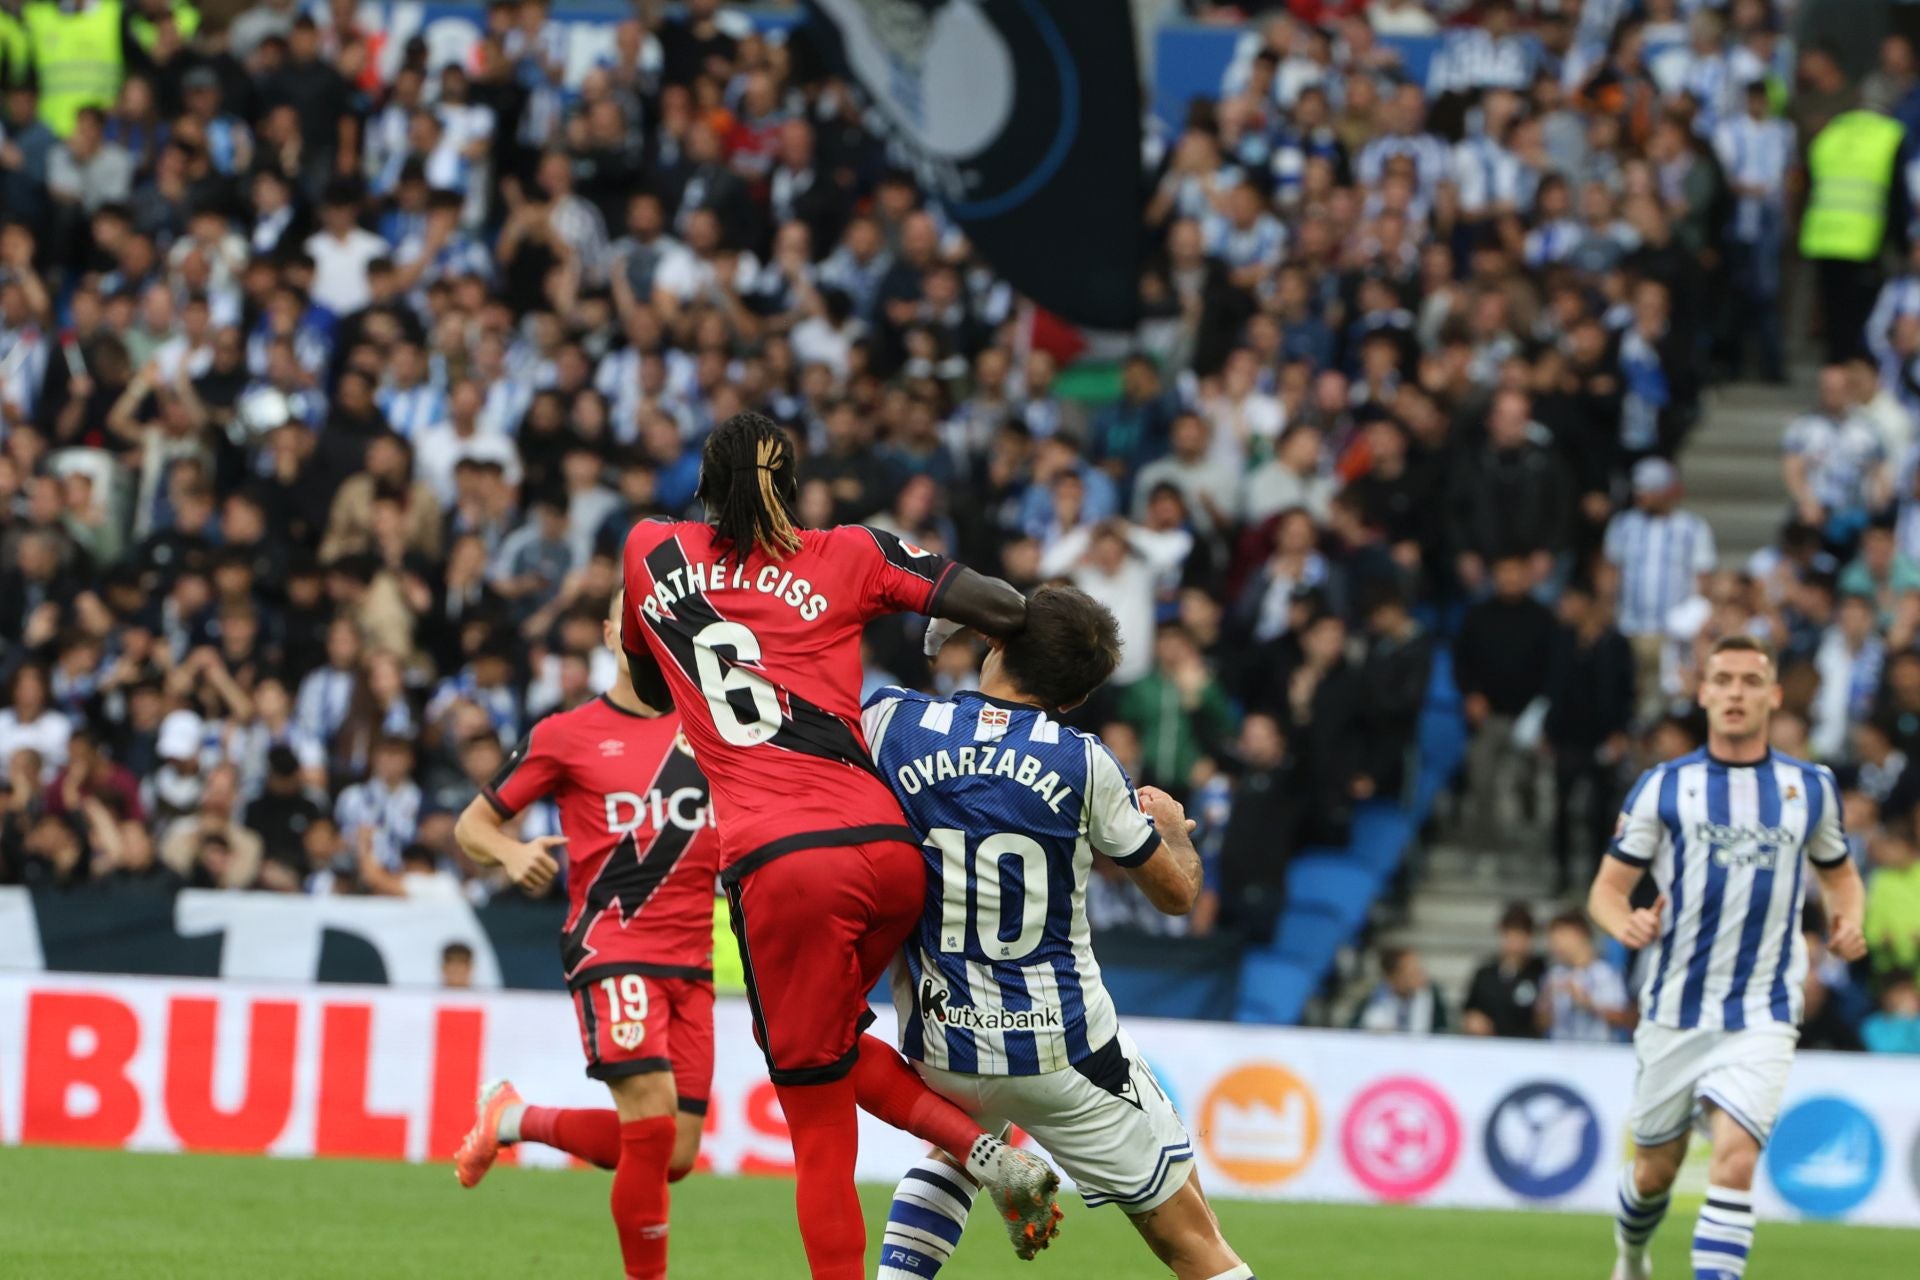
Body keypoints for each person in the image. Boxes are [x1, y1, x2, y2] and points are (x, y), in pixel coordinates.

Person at [617, 411, 1057, 1278]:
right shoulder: (849, 551)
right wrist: (940, 624)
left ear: (705, 488)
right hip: (891, 851)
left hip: (785, 866)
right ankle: (993, 1157)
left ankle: (987, 1159)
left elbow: (642, 680)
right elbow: (1008, 607)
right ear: (795, 487)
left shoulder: (646, 552)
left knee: (816, 1123)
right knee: (831, 1047)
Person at [862, 586, 1253, 1280]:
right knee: (1193, 1237)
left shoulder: (892, 721)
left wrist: (952, 613)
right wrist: (1173, 836)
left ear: (996, 640)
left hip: (940, 1041)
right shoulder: (1083, 760)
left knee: (962, 1142)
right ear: (1072, 699)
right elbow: (1176, 896)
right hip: (1062, 1052)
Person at [450, 590, 720, 1280]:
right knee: (653, 1126)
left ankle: (511, 1119)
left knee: (676, 1153)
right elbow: (472, 826)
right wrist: (511, 855)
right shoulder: (565, 735)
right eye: (633, 619)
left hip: (691, 961)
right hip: (613, 949)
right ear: (609, 633)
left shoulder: (717, 725)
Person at [1591, 634, 1867, 1280]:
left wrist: (1846, 921)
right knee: (1655, 1171)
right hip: (1674, 1009)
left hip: (1763, 1009)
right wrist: (1623, 921)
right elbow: (1606, 890)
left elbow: (1841, 875)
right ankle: (1631, 1256)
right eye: (1724, 680)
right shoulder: (1663, 787)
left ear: (1772, 697)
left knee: (1735, 1160)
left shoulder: (1811, 789)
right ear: (1704, 693)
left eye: (1750, 681)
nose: (1736, 693)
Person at [1536, 910, 1633, 1043]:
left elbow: (1623, 1019)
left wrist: (1587, 1003)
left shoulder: (1606, 973)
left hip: (1600, 1054)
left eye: (1561, 937)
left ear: (1580, 935)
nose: (1555, 945)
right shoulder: (1554, 974)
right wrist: (1546, 999)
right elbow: (1541, 1025)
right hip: (1559, 1055)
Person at [1461, 902, 1545, 1038]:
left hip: (1528, 1051)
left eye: (1521, 935)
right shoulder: (1485, 974)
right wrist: (1473, 1021)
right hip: (1489, 1050)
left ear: (1530, 938)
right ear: (1502, 934)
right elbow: (1469, 1012)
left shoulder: (1541, 972)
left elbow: (1544, 1021)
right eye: (1510, 935)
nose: (1515, 943)